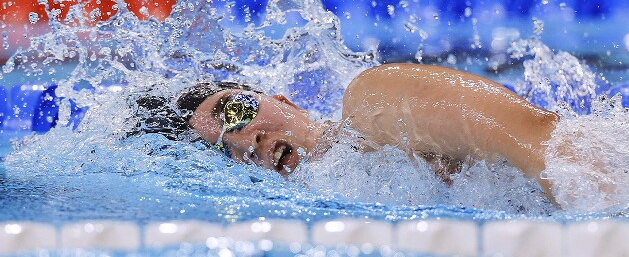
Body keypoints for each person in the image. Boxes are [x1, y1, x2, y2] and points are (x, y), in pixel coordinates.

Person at [134, 63, 559, 199]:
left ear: (283, 100)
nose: (248, 140)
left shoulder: (373, 101)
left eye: (236, 112)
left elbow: (547, 143)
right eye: (224, 152)